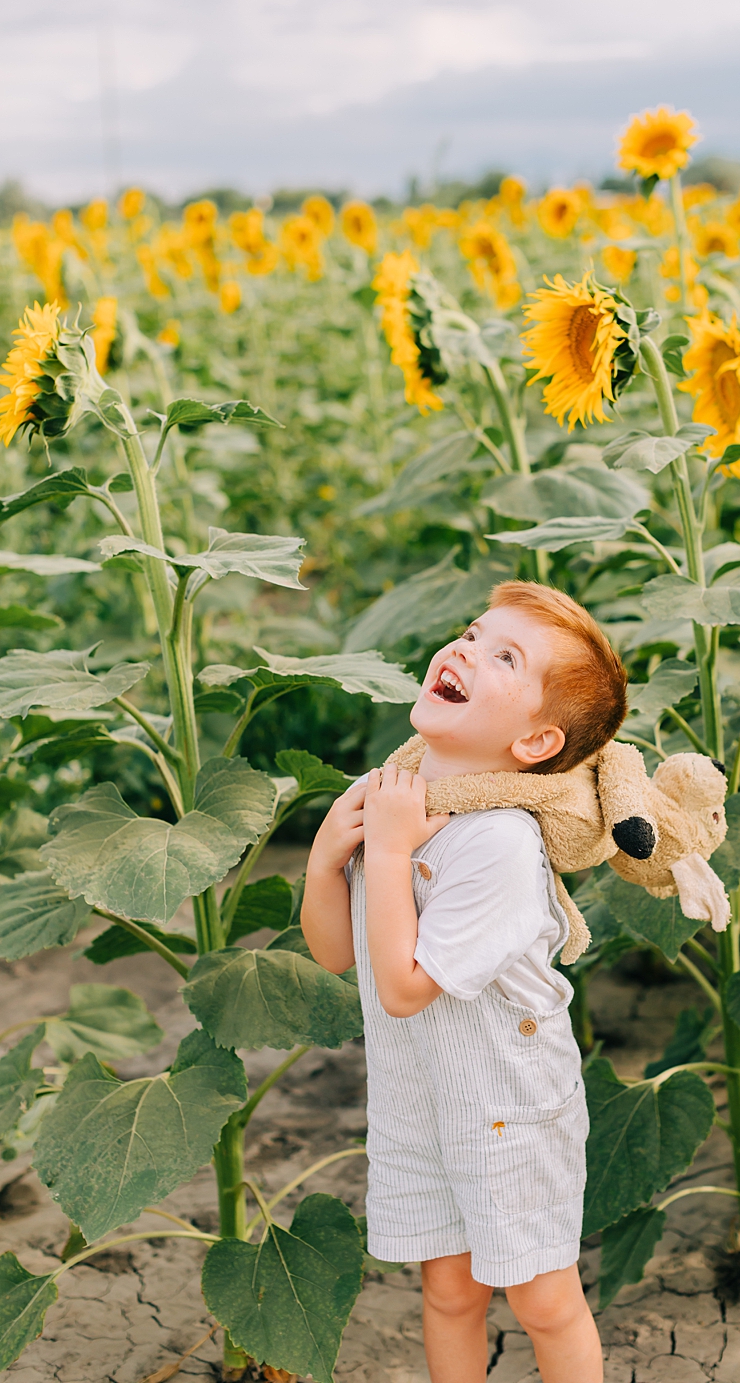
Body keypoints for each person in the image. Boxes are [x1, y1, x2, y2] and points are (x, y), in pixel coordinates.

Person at [302, 580, 629, 1382]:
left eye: (504, 656)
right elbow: (335, 955)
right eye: (473, 634)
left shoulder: (498, 845)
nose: (465, 651)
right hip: (422, 1098)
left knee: (542, 1298)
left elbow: (407, 987)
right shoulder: (395, 796)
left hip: (508, 1109)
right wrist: (324, 857)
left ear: (536, 743)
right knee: (448, 1290)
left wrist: (383, 853)